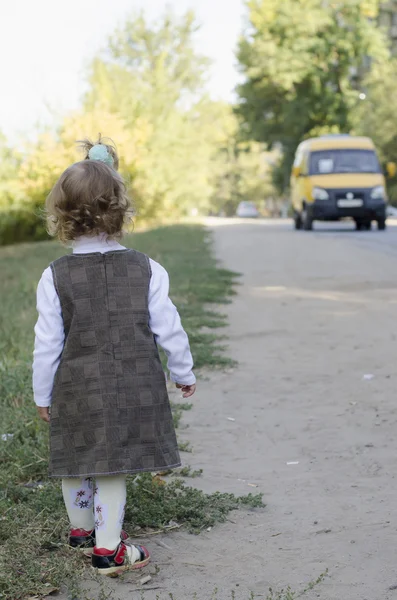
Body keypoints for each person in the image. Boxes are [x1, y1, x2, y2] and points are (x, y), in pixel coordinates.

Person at [32, 137, 196, 576]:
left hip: (75, 385)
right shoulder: (148, 268)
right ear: (121, 212)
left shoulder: (54, 276)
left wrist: (41, 393)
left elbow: (47, 342)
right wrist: (184, 371)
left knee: (75, 454)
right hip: (132, 384)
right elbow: (170, 329)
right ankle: (109, 550)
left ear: (62, 215)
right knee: (111, 467)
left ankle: (82, 530)